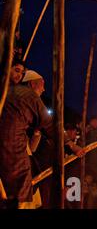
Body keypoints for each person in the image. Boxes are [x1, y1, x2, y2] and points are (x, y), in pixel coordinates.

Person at [0, 70, 53, 208]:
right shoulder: (27, 97)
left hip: (26, 164)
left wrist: (36, 134)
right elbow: (50, 125)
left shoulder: (24, 113)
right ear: (31, 84)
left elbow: (31, 148)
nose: (43, 89)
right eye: (42, 85)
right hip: (16, 167)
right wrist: (69, 143)